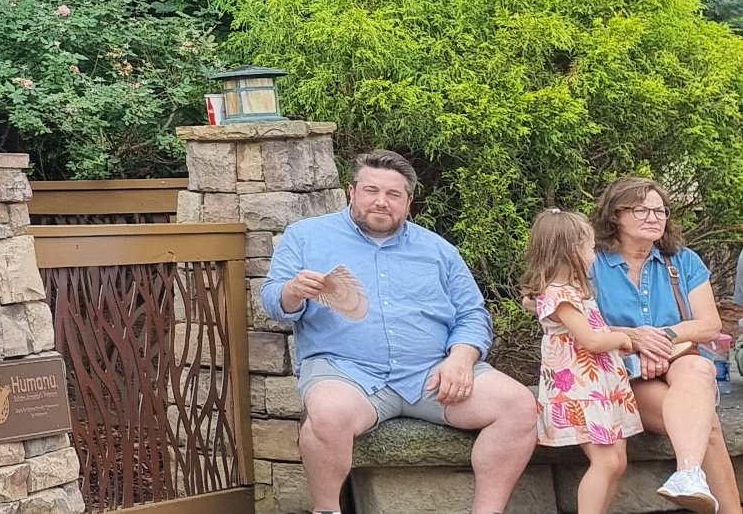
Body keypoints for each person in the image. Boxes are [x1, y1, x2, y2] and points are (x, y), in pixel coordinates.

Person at [261, 148, 538, 514]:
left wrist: (460, 358)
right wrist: (293, 290)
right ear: (352, 191)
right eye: (371, 190)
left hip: (431, 372)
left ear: (408, 201)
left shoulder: (439, 250)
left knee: (519, 406)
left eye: (393, 195)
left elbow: (473, 314)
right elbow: (272, 300)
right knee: (327, 415)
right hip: (346, 371)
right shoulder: (306, 237)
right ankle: (326, 509)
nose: (381, 202)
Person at [589, 175, 733, 514]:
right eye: (641, 210)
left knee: (699, 365)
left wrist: (663, 338)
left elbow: (709, 324)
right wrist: (635, 340)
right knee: (705, 423)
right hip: (624, 374)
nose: (654, 217)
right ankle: (706, 490)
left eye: (660, 210)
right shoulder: (592, 263)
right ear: (615, 216)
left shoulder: (682, 260)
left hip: (679, 359)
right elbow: (567, 317)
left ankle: (687, 474)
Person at [522, 209, 645, 514]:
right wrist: (624, 340)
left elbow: (537, 306)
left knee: (617, 462)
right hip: (581, 390)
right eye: (589, 246)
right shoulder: (560, 295)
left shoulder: (572, 291)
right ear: (571, 250)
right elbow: (591, 340)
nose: (594, 253)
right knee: (605, 462)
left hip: (601, 387)